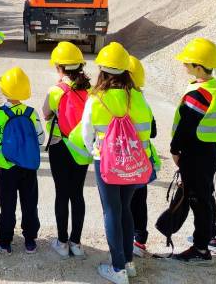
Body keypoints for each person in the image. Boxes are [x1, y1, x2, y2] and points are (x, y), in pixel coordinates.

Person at [81, 42, 155, 284]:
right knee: (126, 208)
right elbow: (146, 131)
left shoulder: (96, 99)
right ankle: (129, 265)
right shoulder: (138, 98)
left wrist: (94, 150)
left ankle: (118, 268)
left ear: (102, 71)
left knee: (111, 210)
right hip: (133, 163)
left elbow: (85, 134)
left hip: (108, 163)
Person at [170, 38, 216, 265]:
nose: (184, 66)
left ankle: (201, 248)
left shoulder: (200, 93)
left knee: (198, 199)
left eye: (188, 63)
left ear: (199, 66)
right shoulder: (212, 87)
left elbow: (186, 125)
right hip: (209, 151)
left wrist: (175, 149)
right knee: (205, 194)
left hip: (197, 154)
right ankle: (209, 236)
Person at [0, 67, 43, 254]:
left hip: (7, 167)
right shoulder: (31, 113)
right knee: (29, 202)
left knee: (7, 204)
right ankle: (30, 241)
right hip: (28, 166)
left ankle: (5, 242)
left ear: (5, 91)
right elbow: (41, 139)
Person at [43, 42, 92, 258]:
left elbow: (45, 114)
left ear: (59, 68)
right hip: (81, 147)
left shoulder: (56, 90)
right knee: (77, 194)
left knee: (61, 193)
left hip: (59, 146)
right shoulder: (90, 91)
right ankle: (77, 243)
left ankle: (62, 242)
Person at [127, 56, 162, 258]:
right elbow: (154, 131)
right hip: (142, 162)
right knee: (140, 201)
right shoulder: (143, 102)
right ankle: (139, 241)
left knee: (124, 203)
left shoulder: (118, 100)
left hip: (122, 163)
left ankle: (125, 239)